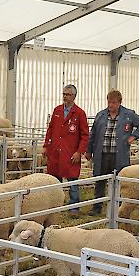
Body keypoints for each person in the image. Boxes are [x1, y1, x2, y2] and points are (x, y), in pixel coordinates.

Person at [85, 90, 139, 216]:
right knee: (100, 180)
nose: (111, 105)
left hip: (119, 155)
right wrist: (89, 150)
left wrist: (133, 136)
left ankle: (118, 207)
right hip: (102, 154)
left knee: (119, 181)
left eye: (113, 102)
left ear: (120, 102)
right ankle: (97, 207)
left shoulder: (128, 115)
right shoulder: (101, 115)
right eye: (109, 102)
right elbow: (93, 134)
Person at [43, 84, 89, 215]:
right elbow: (50, 129)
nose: (65, 97)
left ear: (74, 96)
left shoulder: (79, 113)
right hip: (56, 151)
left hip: (70, 152)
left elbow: (85, 135)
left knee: (72, 179)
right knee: (54, 179)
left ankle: (74, 206)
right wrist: (46, 145)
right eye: (64, 94)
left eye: (68, 94)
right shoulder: (57, 110)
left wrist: (79, 152)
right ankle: (54, 204)